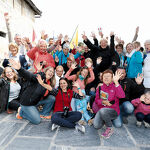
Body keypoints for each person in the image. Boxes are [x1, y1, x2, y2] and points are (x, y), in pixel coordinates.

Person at [9, 59, 56, 124]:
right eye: (50, 71)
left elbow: (54, 92)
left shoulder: (49, 83)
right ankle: (21, 113)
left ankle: (43, 113)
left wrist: (44, 85)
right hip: (27, 102)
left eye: (53, 72)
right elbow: (30, 76)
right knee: (37, 121)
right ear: (45, 71)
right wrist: (20, 69)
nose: (51, 73)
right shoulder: (40, 76)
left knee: (52, 98)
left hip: (36, 101)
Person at [93, 69, 125, 139]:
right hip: (102, 110)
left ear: (112, 78)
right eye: (104, 76)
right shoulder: (100, 88)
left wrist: (116, 82)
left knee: (118, 124)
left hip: (113, 111)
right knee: (96, 126)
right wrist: (103, 102)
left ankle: (109, 128)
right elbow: (96, 100)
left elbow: (122, 96)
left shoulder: (115, 86)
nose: (106, 78)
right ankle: (106, 119)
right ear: (102, 78)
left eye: (108, 76)